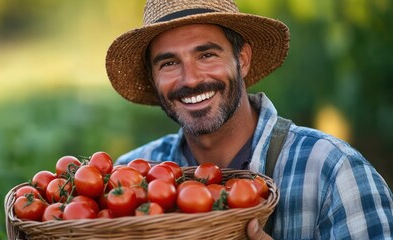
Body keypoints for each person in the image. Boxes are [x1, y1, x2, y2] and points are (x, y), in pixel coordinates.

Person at [105, 0, 393, 239]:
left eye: (206, 55)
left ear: (242, 60)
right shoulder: (130, 178)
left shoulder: (331, 171)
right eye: (168, 63)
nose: (190, 79)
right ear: (154, 78)